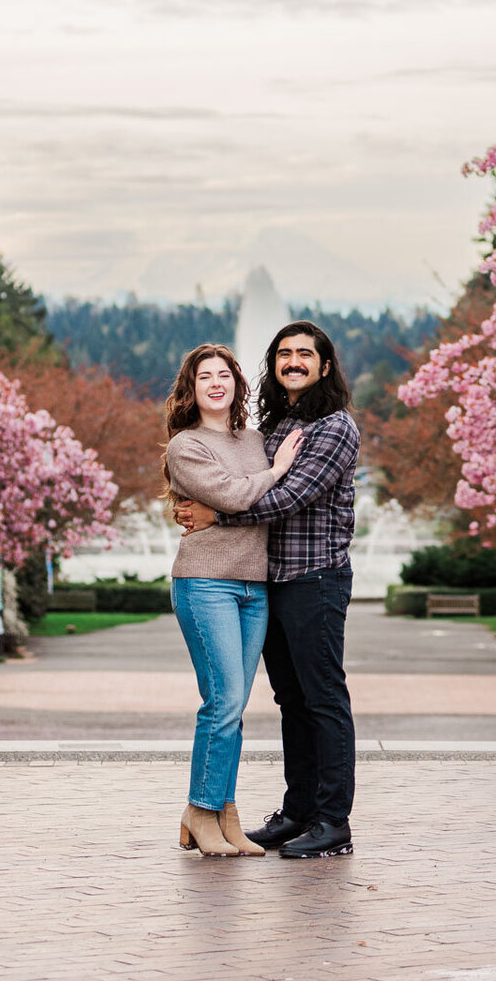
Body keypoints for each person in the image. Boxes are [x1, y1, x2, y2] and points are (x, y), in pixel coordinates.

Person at [175, 320, 359, 859]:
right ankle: (299, 810)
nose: (293, 362)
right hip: (270, 581)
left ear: (325, 366)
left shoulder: (334, 427)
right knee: (291, 700)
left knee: (323, 699)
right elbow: (239, 482)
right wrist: (213, 508)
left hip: (315, 578)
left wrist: (215, 517)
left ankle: (332, 820)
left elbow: (288, 498)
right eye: (284, 354)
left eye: (305, 354)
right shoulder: (274, 426)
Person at [163, 342, 305, 858]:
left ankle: (223, 814)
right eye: (206, 377)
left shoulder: (255, 441)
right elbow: (235, 496)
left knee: (235, 708)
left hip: (255, 587)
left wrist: (267, 472)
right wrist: (277, 470)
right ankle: (201, 810)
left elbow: (258, 500)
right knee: (222, 702)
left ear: (237, 384)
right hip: (206, 584)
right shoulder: (187, 445)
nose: (216, 383)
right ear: (192, 388)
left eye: (225, 374)